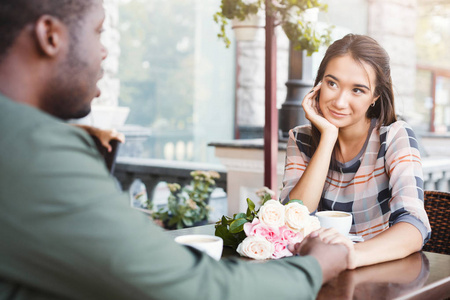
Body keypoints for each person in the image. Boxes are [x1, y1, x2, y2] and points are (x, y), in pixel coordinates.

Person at [0, 1, 349, 299]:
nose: (103, 51)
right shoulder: (32, 149)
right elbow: (196, 289)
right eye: (98, 31)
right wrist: (315, 266)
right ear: (50, 36)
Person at [280, 34, 431, 270]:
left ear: (375, 97)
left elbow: (414, 226)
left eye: (358, 90)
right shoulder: (300, 139)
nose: (340, 102)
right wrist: (328, 137)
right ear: (318, 84)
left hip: (378, 272)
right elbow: (293, 218)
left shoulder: (394, 136)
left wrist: (350, 255)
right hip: (315, 273)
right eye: (332, 83)